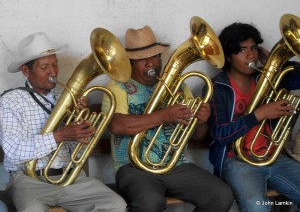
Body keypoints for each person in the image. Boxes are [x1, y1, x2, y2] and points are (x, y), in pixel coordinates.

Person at [101, 25, 234, 212]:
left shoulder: (178, 86)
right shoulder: (117, 87)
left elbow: (196, 136)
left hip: (177, 166)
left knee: (221, 195)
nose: (150, 63)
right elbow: (116, 125)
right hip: (133, 168)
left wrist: (202, 121)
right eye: (142, 59)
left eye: (155, 56)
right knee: (150, 202)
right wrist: (164, 115)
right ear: (130, 62)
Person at [0, 32, 127, 212]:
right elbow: (13, 149)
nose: (53, 72)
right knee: (33, 210)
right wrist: (60, 135)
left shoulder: (65, 96)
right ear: (26, 71)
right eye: (44, 67)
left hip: (71, 177)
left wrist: (83, 128)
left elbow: (79, 152)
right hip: (29, 180)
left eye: (55, 64)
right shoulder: (11, 101)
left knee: (116, 205)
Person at [207, 22, 300, 212]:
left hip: (274, 157)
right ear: (228, 56)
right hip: (237, 162)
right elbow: (220, 134)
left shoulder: (267, 78)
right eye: (242, 50)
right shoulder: (217, 87)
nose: (250, 55)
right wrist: (259, 114)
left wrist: (276, 63)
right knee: (258, 207)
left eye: (253, 49)